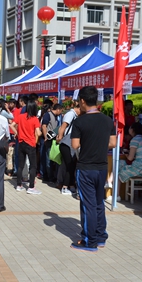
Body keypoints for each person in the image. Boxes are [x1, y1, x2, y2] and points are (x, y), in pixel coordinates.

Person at [70, 86, 116, 252]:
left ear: (82, 101)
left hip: (85, 167)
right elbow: (113, 143)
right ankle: (101, 236)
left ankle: (90, 241)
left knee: (87, 204)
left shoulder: (80, 121)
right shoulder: (107, 120)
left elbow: (75, 144)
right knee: (98, 203)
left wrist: (87, 140)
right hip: (102, 167)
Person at [12, 99, 41, 194]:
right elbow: (38, 133)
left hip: (21, 143)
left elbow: (11, 125)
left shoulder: (20, 117)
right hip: (31, 144)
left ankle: (19, 185)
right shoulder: (35, 119)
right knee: (33, 166)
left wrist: (17, 133)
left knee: (20, 165)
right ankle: (31, 187)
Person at [56, 102, 80, 195]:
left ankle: (70, 185)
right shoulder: (70, 114)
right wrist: (60, 137)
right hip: (66, 143)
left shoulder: (75, 115)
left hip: (69, 143)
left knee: (70, 165)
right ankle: (65, 187)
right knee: (69, 166)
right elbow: (63, 126)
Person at [40, 102, 63, 183]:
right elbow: (44, 126)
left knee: (52, 157)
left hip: (53, 139)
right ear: (58, 109)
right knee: (48, 158)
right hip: (48, 140)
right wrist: (46, 137)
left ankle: (50, 176)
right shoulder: (48, 115)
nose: (61, 113)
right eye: (61, 111)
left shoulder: (55, 117)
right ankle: (49, 177)